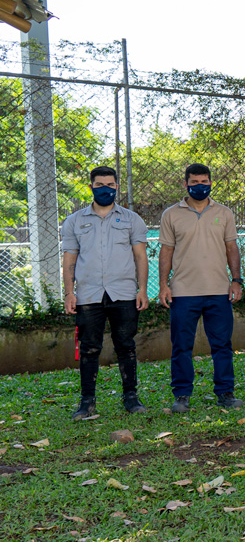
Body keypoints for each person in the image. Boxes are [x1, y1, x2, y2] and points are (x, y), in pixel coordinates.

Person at [60, 166, 150, 419]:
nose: (105, 190)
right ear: (91, 187)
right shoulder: (75, 221)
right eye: (99, 185)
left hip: (123, 293)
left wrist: (142, 289)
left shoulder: (132, 220)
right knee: (89, 348)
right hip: (88, 296)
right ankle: (86, 402)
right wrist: (69, 292)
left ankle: (131, 398)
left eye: (110, 185)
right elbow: (69, 259)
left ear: (117, 187)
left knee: (126, 345)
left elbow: (140, 257)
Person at [157, 163, 244, 412]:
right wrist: (163, 285)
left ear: (211, 183)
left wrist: (236, 280)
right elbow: (166, 252)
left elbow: (231, 248)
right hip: (183, 292)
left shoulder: (224, 213)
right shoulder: (171, 214)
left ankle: (226, 393)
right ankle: (182, 395)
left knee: (222, 345)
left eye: (204, 181)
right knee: (182, 346)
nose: (199, 186)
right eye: (194, 182)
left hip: (218, 290)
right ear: (185, 184)